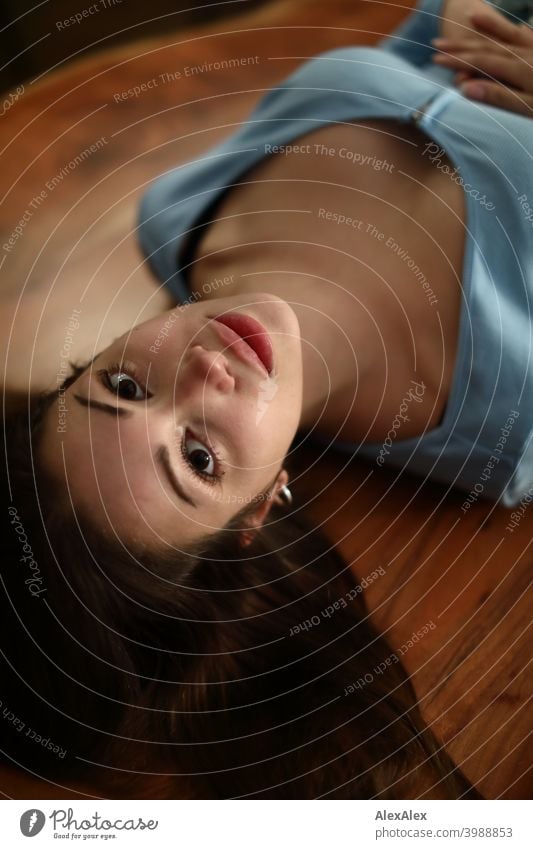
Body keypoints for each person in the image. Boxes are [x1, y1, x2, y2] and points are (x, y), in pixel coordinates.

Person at [1, 0, 529, 798]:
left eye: (121, 386)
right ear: (259, 510)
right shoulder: (517, 421)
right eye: (197, 457)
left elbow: (442, 38)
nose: (199, 374)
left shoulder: (174, 216)